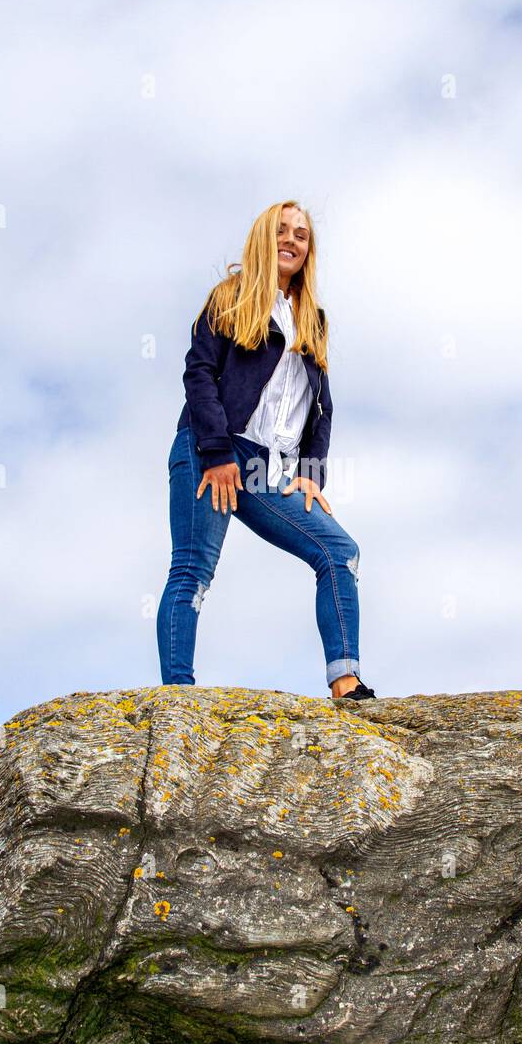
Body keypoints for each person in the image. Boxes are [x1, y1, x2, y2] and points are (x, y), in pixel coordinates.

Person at [156, 199, 376, 702]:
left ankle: (346, 683)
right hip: (209, 450)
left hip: (263, 467)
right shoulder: (231, 297)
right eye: (281, 230)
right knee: (193, 568)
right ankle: (178, 699)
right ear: (262, 237)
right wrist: (214, 454)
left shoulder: (312, 319)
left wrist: (311, 474)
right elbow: (199, 374)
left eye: (301, 234)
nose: (292, 240)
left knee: (339, 552)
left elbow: (321, 407)